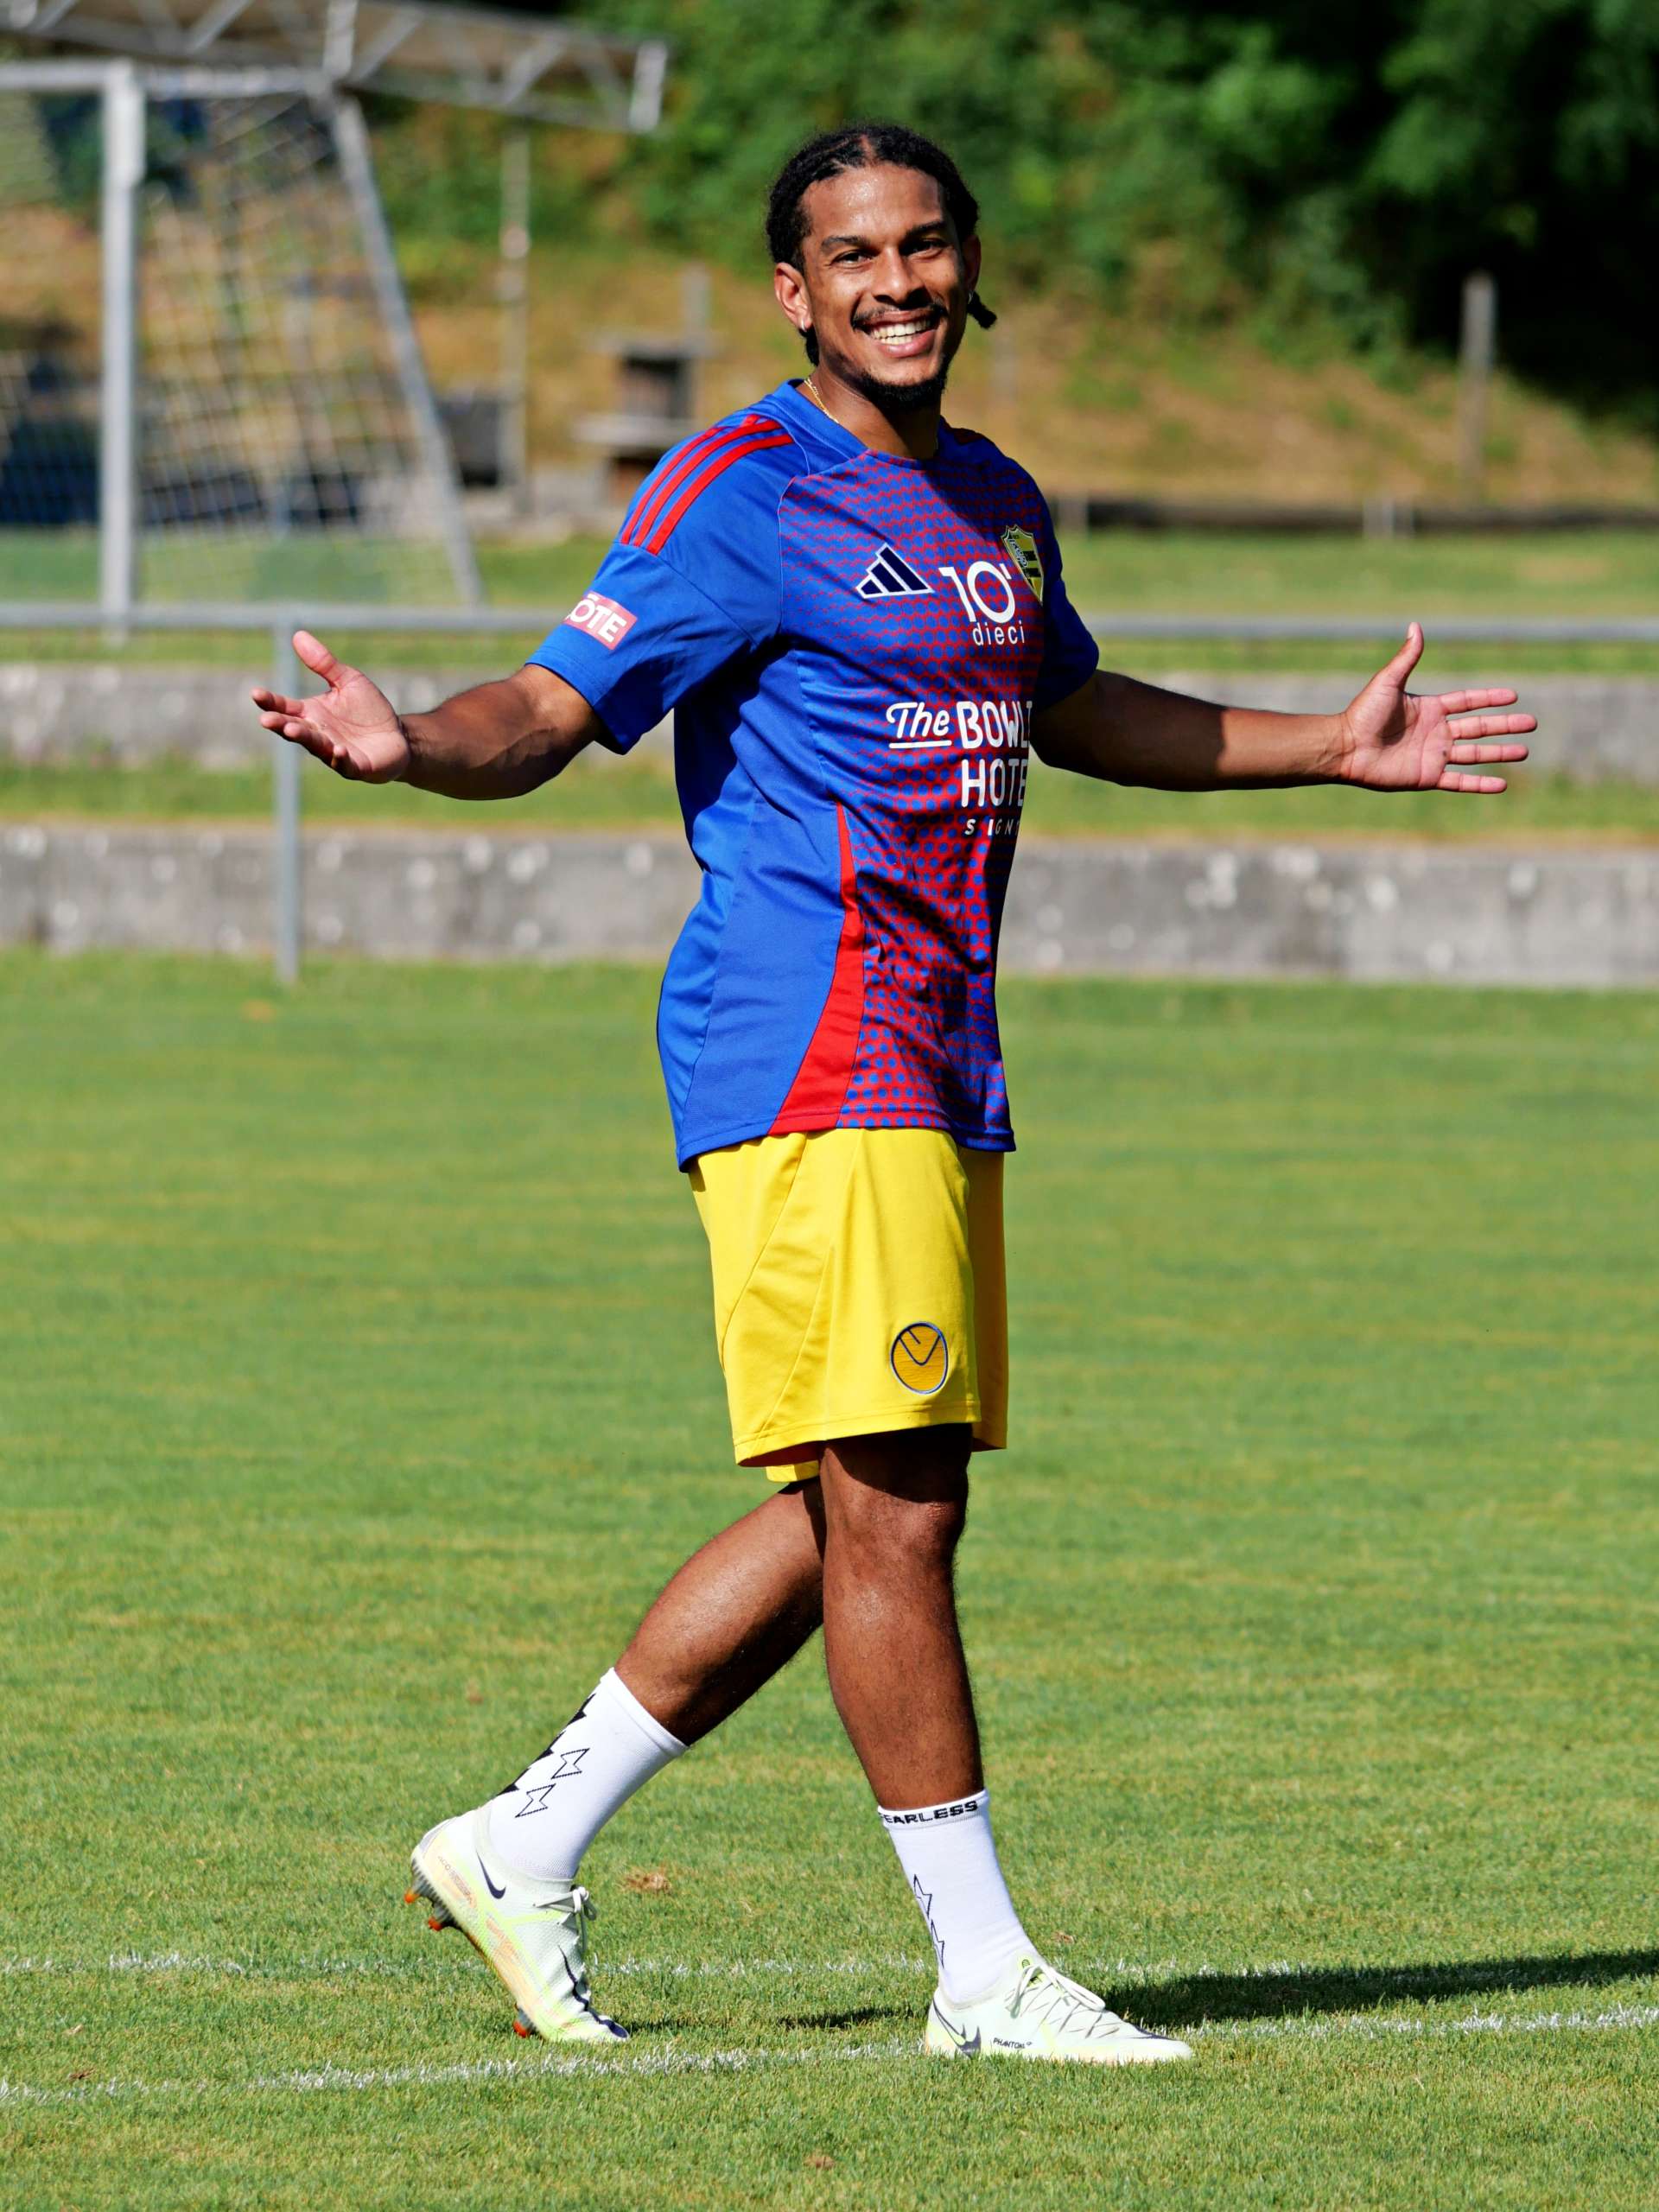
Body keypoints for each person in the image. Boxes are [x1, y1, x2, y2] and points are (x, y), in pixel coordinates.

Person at [251, 122, 1533, 2066]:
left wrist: (1329, 750)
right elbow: (553, 703)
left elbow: (1069, 704)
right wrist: (412, 740)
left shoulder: (995, 499)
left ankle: (524, 1841)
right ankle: (984, 1971)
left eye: (926, 245)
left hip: (937, 1051)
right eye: (853, 255)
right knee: (901, 1508)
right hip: (809, 1041)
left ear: (969, 262)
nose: (898, 282)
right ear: (795, 291)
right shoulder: (741, 488)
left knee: (856, 1496)